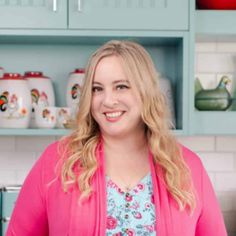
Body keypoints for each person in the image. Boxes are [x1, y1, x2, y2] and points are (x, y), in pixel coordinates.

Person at [6, 40, 227, 236]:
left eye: (121, 86)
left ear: (145, 92)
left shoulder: (187, 167)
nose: (107, 100)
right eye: (97, 89)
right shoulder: (57, 161)